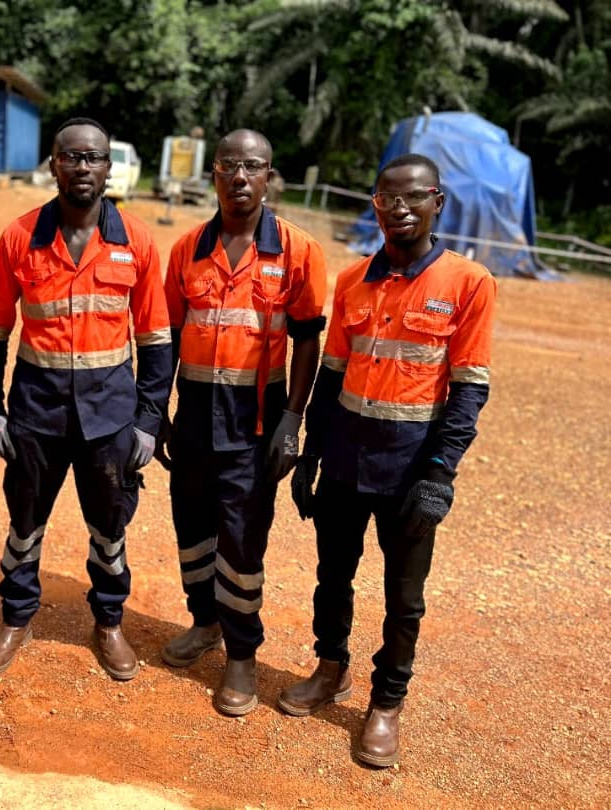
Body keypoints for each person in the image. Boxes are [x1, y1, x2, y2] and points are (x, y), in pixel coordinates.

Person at [279, 153, 495, 767]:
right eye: (386, 198)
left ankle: (386, 703)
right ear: (374, 205)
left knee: (404, 598)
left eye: (413, 197)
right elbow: (331, 375)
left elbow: (469, 389)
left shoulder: (469, 283)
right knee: (332, 576)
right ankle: (330, 668)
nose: (399, 208)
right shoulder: (353, 280)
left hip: (410, 469)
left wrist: (440, 474)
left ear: (437, 203)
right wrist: (312, 454)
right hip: (347, 460)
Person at [0, 117, 173, 680]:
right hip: (35, 413)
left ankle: (109, 622)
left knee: (110, 526)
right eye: (71, 157)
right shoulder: (20, 238)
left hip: (110, 417)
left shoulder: (136, 240)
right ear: (53, 165)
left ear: (109, 168)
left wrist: (147, 422)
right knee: (24, 521)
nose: (82, 167)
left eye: (94, 158)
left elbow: (156, 340)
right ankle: (16, 617)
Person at [155, 129, 327, 715]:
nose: (240, 177)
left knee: (242, 538)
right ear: (214, 174)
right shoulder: (187, 249)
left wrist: (292, 419)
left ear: (268, 175)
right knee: (192, 528)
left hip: (255, 421)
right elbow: (168, 337)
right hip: (194, 414)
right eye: (229, 165)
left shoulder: (297, 251)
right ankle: (204, 622)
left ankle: (241, 655)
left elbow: (307, 341)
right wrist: (159, 412)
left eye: (253, 166)